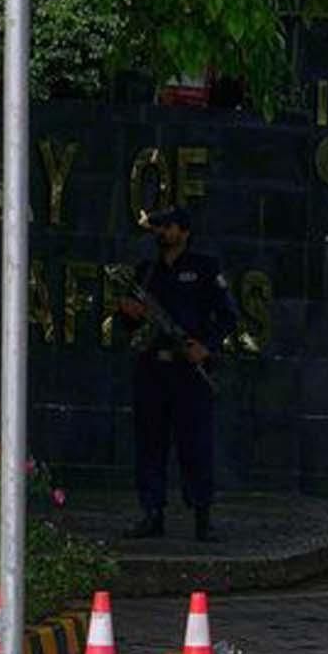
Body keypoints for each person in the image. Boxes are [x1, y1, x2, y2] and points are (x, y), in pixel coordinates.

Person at [114, 207, 240, 542]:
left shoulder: (204, 268)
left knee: (195, 445)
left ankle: (202, 516)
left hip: (189, 372)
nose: (161, 232)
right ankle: (152, 513)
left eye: (168, 226)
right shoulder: (146, 272)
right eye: (158, 226)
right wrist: (129, 313)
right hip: (153, 369)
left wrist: (206, 346)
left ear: (184, 232)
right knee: (150, 444)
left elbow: (228, 316)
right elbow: (129, 324)